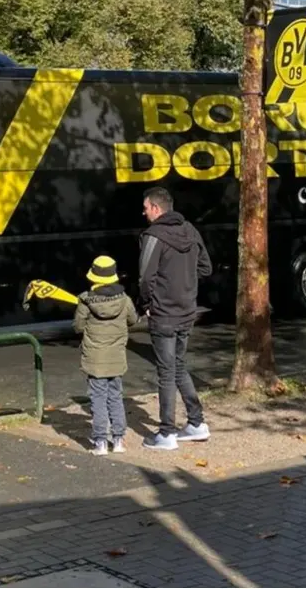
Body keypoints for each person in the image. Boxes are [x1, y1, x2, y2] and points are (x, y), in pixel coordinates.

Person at [138, 186, 212, 451]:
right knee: (178, 367)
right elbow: (206, 267)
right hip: (187, 310)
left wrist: (147, 304)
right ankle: (196, 423)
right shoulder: (190, 230)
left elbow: (145, 278)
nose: (144, 213)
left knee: (166, 372)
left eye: (145, 208)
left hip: (163, 313)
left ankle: (167, 433)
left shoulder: (153, 236)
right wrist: (186, 283)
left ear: (156, 208)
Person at [74, 255, 138, 455]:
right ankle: (118, 440)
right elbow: (133, 320)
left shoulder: (85, 300)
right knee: (116, 397)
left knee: (98, 399)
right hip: (116, 357)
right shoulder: (125, 299)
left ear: (93, 276)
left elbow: (78, 327)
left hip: (95, 359)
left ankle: (100, 442)